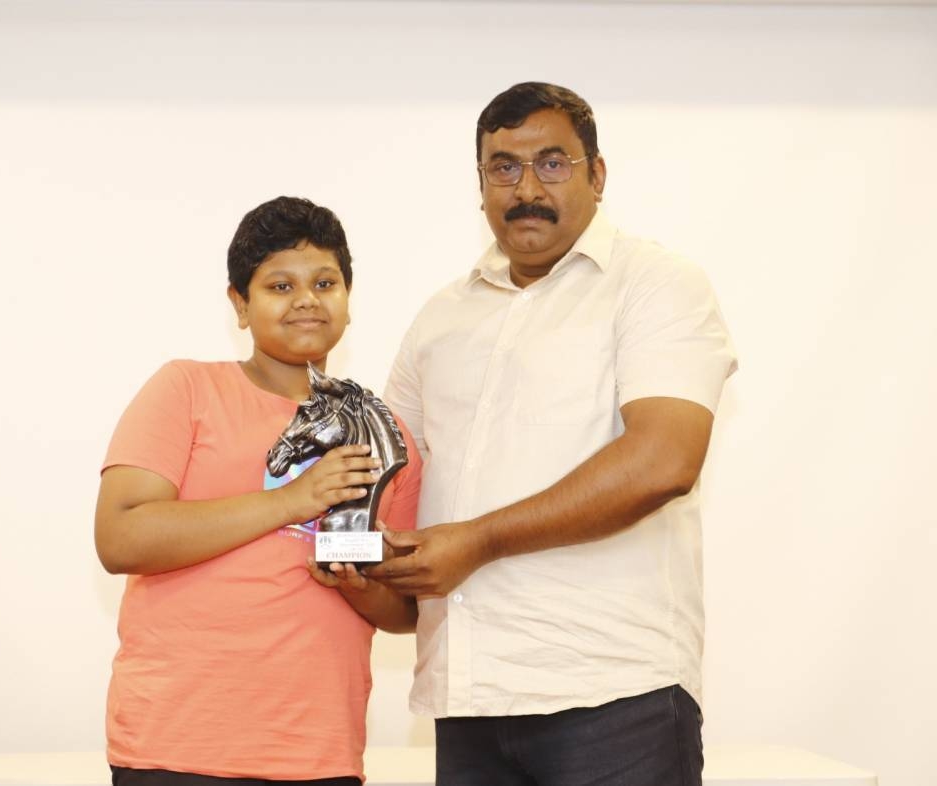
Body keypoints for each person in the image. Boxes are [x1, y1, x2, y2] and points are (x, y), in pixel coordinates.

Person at [370, 83, 738, 785]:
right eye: (502, 167)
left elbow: (664, 460)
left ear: (597, 174)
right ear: (480, 184)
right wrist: (342, 550)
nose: (526, 187)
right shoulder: (441, 318)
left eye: (552, 163)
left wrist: (477, 540)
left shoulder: (656, 284)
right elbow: (392, 484)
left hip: (614, 698)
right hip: (467, 696)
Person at [94, 196, 421, 786]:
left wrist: (355, 587)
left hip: (318, 753)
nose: (305, 300)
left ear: (348, 297)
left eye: (325, 282)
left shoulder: (388, 433)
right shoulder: (186, 389)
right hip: (176, 746)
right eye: (278, 286)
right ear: (239, 305)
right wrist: (292, 501)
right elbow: (120, 537)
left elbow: (404, 609)